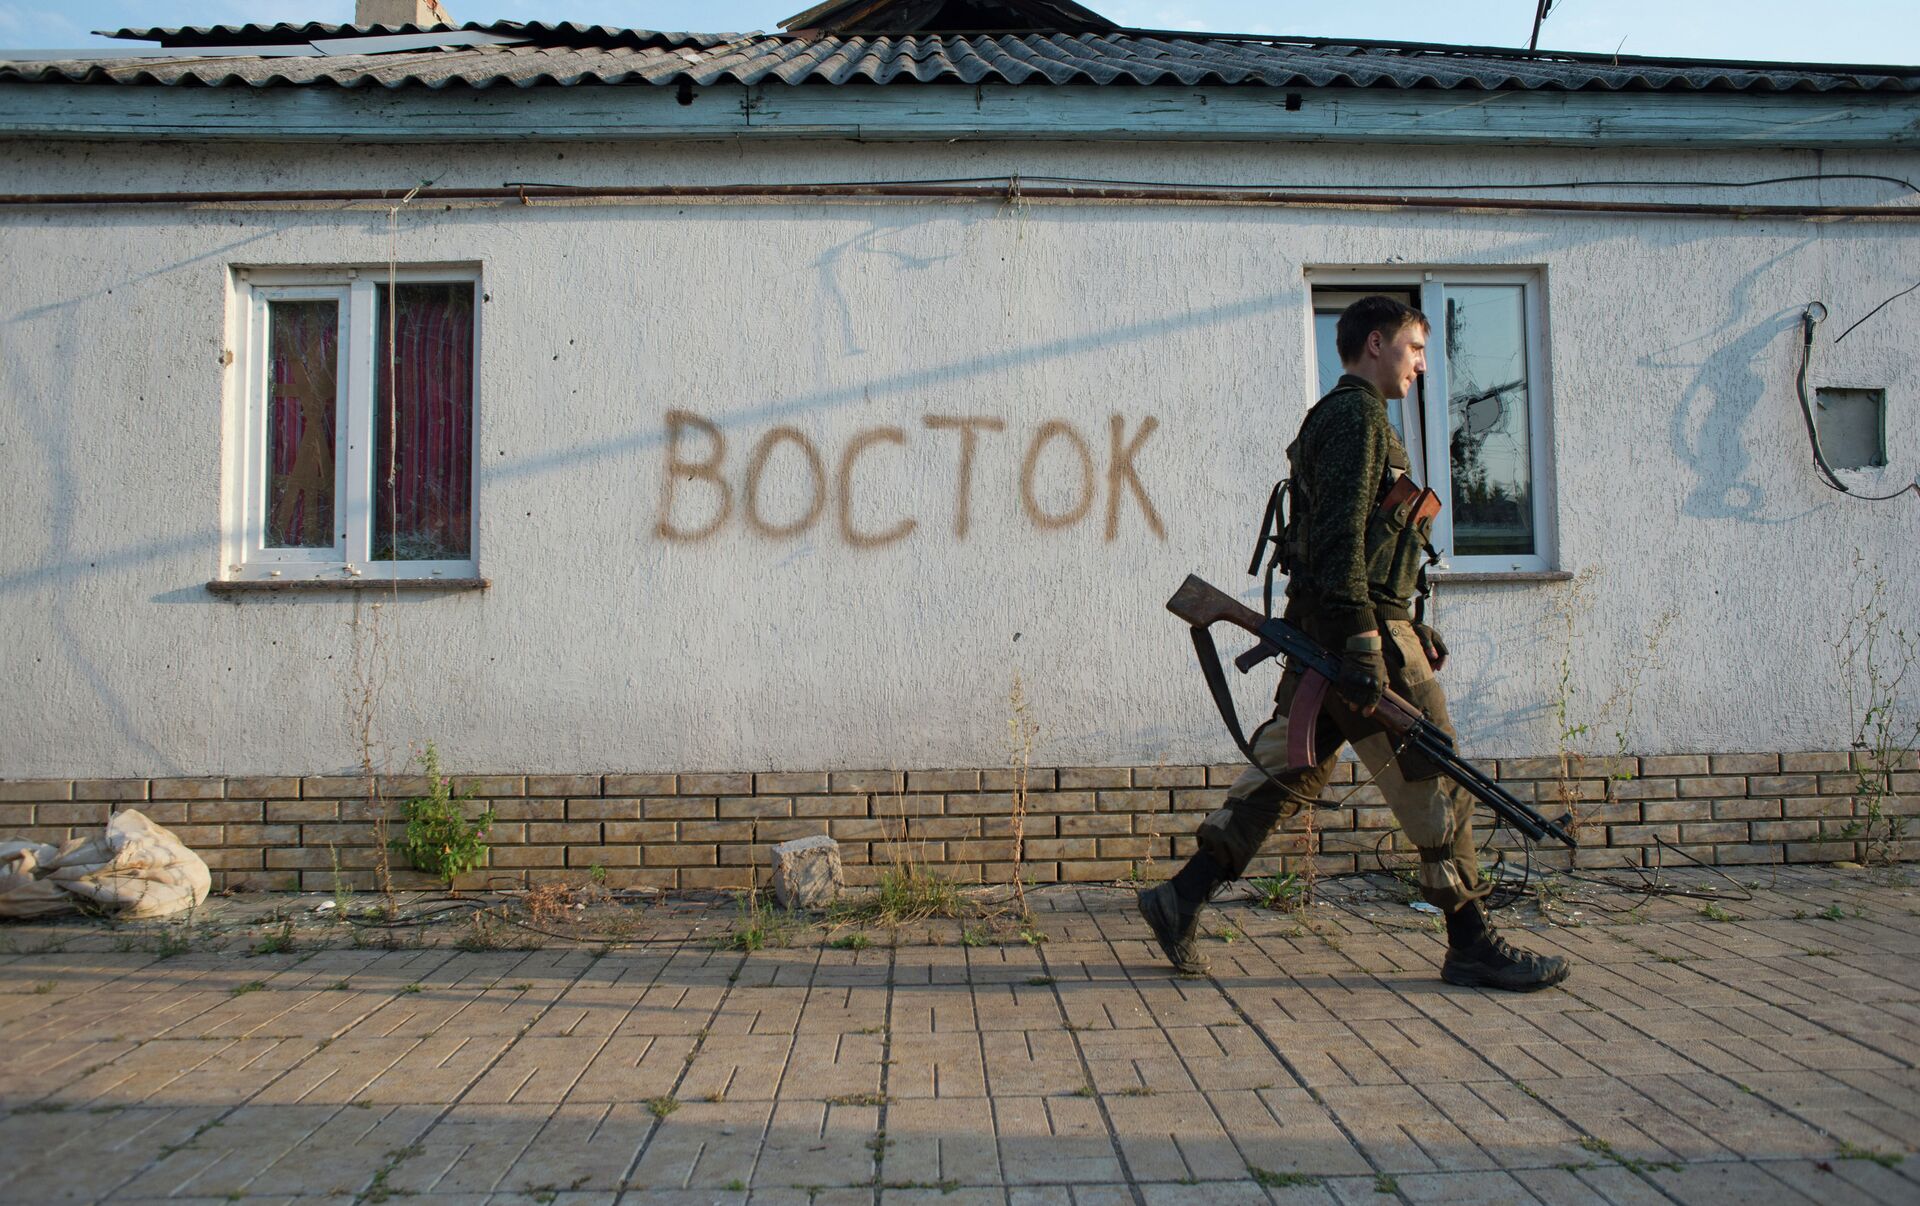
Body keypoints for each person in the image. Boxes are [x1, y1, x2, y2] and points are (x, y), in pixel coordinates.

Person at [1139, 295, 1570, 992]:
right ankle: (1471, 943)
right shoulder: (1358, 417)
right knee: (1434, 774)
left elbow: (1356, 546)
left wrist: (1399, 617)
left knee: (1286, 771)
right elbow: (1340, 540)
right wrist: (1370, 640)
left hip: (1337, 631)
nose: (1422, 365)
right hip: (1359, 641)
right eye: (1415, 348)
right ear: (1376, 343)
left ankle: (1181, 897)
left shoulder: (1341, 418)